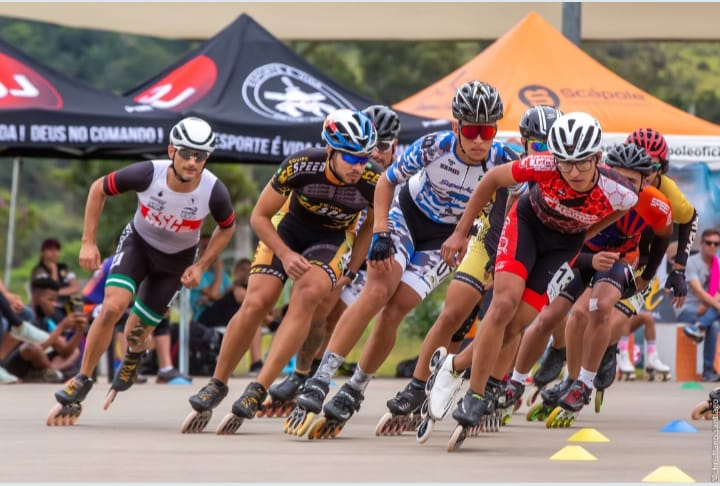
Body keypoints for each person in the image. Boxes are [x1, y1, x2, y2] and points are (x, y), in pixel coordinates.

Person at [288, 81, 512, 437]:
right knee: (377, 291)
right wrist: (378, 232)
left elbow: (521, 197)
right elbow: (385, 183)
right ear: (456, 126)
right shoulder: (433, 146)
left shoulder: (504, 159)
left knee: (396, 309)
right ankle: (321, 378)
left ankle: (356, 387)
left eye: (487, 131)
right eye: (471, 130)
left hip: (446, 239)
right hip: (406, 216)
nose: (479, 140)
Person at [434, 112, 638, 432]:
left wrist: (585, 234)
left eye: (582, 163)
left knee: (518, 324)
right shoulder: (543, 164)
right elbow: (490, 181)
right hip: (526, 227)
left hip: (563, 246)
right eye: (565, 163)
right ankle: (474, 394)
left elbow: (624, 209)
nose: (573, 172)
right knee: (503, 305)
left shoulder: (621, 190)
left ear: (598, 158)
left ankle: (454, 365)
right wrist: (460, 232)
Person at [183, 108, 380, 434]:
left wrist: (353, 268)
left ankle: (259, 387)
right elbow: (259, 216)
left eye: (364, 158)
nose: (359, 166)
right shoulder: (301, 164)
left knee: (308, 294)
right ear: (330, 150)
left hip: (331, 240)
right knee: (257, 302)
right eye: (351, 158)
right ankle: (217, 382)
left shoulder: (374, 178)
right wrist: (286, 254)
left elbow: (369, 227)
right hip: (287, 231)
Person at [47, 116, 236, 426]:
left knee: (137, 333)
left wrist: (201, 265)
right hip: (139, 246)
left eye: (199, 156)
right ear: (171, 150)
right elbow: (99, 189)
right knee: (112, 308)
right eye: (186, 153)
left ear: (207, 158)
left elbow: (228, 228)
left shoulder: (215, 191)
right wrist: (87, 242)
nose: (191, 162)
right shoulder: (149, 173)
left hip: (176, 261)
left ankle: (135, 354)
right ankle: (82, 379)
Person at [382, 104, 558, 430]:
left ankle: (489, 387)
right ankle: (417, 386)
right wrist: (462, 233)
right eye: (538, 144)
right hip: (492, 243)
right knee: (453, 315)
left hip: (530, 254)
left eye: (552, 146)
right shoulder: (514, 162)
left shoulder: (570, 176)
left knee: (506, 321)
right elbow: (486, 189)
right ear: (524, 141)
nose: (545, 153)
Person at [280, 104, 403, 400]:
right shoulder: (355, 167)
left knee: (339, 317)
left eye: (381, 147)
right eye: (369, 147)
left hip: (375, 253)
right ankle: (302, 373)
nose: (373, 154)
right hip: (344, 243)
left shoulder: (400, 174)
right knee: (321, 310)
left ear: (394, 146)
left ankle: (320, 373)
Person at [1, 278, 87, 382]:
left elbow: (65, 350)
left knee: (75, 352)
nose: (54, 304)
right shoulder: (23, 316)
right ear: (36, 297)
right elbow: (39, 347)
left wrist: (80, 330)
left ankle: (49, 374)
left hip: (38, 364)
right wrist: (61, 327)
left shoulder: (47, 322)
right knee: (32, 348)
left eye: (56, 300)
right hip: (11, 363)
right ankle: (57, 375)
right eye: (50, 300)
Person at [677, 228, 720, 382]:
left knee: (714, 326)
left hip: (707, 310)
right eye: (709, 243)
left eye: (716, 244)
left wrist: (710, 305)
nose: (712, 246)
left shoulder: (718, 265)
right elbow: (698, 291)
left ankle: (708, 372)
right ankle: (698, 325)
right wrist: (715, 305)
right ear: (701, 244)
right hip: (687, 309)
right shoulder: (692, 262)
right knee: (716, 314)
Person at [30, 238, 81, 314]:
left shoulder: (64, 268)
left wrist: (58, 292)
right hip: (49, 305)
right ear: (43, 252)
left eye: (57, 249)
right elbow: (51, 289)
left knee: (78, 305)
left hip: (66, 302)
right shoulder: (39, 270)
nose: (54, 252)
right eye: (50, 249)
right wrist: (54, 271)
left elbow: (75, 288)